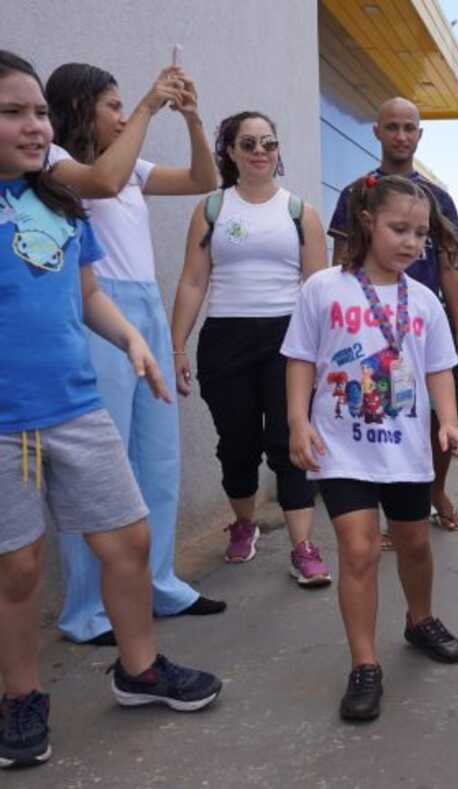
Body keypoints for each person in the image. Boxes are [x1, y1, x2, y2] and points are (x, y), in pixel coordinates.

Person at [0, 50, 222, 770]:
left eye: (38, 112)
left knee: (126, 542)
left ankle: (140, 668)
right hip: (6, 425)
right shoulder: (69, 180)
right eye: (13, 113)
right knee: (19, 570)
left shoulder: (58, 201)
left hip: (75, 404)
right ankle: (23, 696)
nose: (33, 127)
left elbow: (88, 292)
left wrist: (134, 339)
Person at [44, 61, 225, 647]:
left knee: (158, 461)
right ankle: (87, 610)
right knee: (99, 468)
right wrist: (148, 107)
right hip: (97, 316)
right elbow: (99, 182)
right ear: (79, 110)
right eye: (113, 107)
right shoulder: (56, 165)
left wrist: (193, 116)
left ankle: (159, 583)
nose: (123, 116)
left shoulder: (132, 166)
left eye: (126, 106)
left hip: (142, 308)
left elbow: (204, 178)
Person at [283, 174, 458, 721]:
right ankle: (364, 664)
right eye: (399, 229)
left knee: (414, 545)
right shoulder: (323, 288)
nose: (412, 243)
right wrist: (298, 421)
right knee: (361, 550)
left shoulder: (425, 302)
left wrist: (449, 423)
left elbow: (439, 369)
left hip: (405, 449)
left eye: (420, 234)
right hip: (341, 445)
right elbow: (299, 358)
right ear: (368, 223)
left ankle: (420, 620)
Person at [170, 111, 330, 585]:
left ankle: (303, 547)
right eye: (248, 143)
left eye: (268, 142)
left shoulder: (301, 212)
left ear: (278, 152)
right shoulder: (212, 208)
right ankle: (244, 523)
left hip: (288, 339)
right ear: (232, 152)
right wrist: (176, 345)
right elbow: (193, 281)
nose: (260, 150)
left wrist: (323, 355)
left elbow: (316, 289)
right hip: (226, 338)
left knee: (291, 442)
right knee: (236, 443)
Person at [328, 97, 458, 533]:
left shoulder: (438, 197)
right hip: (368, 324)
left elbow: (450, 267)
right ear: (377, 131)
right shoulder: (356, 194)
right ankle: (385, 507)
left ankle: (434, 490)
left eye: (409, 128)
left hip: (424, 322)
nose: (401, 136)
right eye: (392, 127)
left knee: (441, 416)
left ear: (420, 135)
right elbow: (340, 260)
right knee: (378, 409)